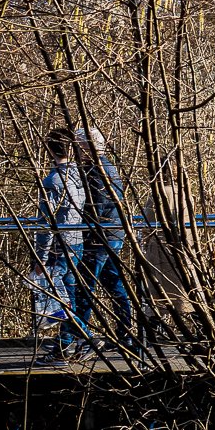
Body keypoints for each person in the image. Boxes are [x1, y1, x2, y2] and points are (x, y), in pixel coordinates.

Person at [76, 126, 134, 350]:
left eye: (80, 147)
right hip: (112, 235)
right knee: (115, 285)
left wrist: (84, 229)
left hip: (99, 238)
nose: (77, 152)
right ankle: (125, 333)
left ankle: (84, 337)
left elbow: (96, 206)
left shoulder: (96, 170)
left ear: (88, 147)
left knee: (86, 288)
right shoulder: (107, 167)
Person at [35, 127, 89, 362]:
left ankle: (81, 340)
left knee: (60, 299)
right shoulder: (78, 176)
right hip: (76, 242)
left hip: (59, 246)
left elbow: (46, 223)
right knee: (70, 295)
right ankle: (68, 344)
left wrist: (40, 257)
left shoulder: (53, 181)